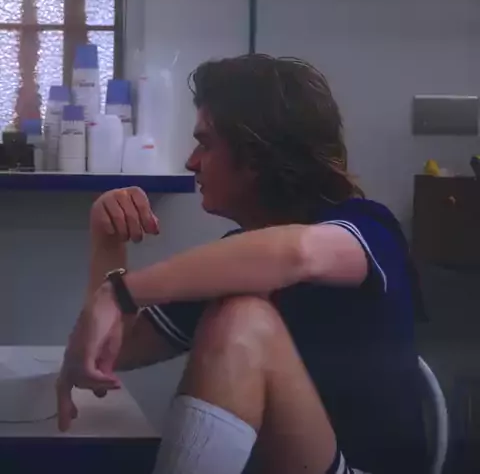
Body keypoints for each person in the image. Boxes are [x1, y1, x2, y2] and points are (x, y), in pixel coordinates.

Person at [56, 55, 428, 474]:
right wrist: (108, 240)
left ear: (255, 156)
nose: (191, 162)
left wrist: (123, 293)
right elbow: (113, 352)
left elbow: (298, 253)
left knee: (244, 319)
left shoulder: (368, 227)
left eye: (206, 143)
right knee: (240, 310)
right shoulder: (236, 263)